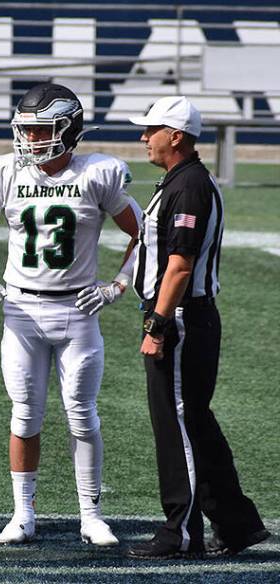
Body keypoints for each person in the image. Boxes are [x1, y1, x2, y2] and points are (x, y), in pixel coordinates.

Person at [0, 83, 141, 546]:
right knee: (25, 415)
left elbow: (145, 234)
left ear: (69, 130)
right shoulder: (9, 172)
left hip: (78, 310)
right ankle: (23, 513)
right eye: (27, 131)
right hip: (21, 312)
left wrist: (117, 284)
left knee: (82, 414)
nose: (30, 140)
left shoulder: (97, 173)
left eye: (40, 131)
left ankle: (90, 515)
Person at [126, 96, 270, 559]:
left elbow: (180, 265)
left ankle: (180, 533)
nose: (144, 138)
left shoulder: (187, 187)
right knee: (197, 423)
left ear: (178, 136)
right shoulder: (181, 181)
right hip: (188, 317)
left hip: (182, 318)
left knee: (179, 427)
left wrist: (157, 323)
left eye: (152, 130)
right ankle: (237, 523)